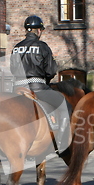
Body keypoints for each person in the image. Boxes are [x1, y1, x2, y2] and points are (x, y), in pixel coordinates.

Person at [10, 15, 69, 153]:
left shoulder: (16, 47)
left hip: (17, 89)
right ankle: (60, 143)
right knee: (64, 105)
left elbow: (13, 69)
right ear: (38, 31)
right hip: (38, 88)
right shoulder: (42, 46)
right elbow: (50, 71)